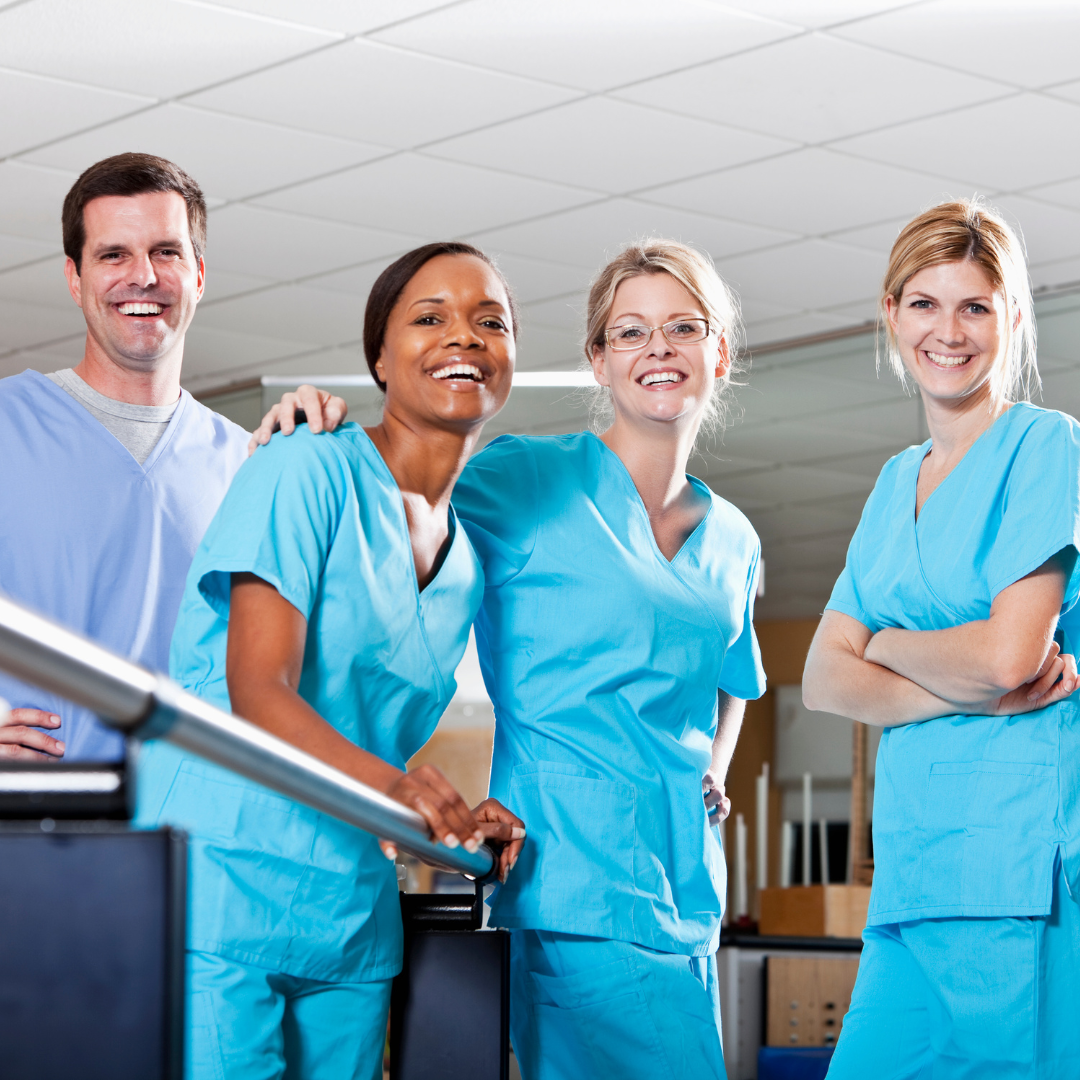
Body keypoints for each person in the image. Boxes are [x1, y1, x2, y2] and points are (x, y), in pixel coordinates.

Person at [136, 242, 527, 1080]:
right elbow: (258, 687)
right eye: (430, 318)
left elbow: (371, 728)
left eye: (489, 322)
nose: (464, 336)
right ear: (379, 359)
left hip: (345, 903)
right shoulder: (303, 467)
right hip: (216, 876)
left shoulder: (466, 565)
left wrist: (454, 820)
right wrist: (399, 792)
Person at [451, 240, 765, 1079]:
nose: (658, 348)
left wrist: (718, 771)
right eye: (630, 333)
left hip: (687, 897)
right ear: (598, 361)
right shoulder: (525, 480)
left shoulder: (733, 538)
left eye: (683, 327)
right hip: (573, 887)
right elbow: (400, 528)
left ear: (719, 353)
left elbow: (736, 679)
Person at [802, 200, 1080, 1078]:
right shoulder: (893, 484)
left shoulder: (1047, 449)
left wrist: (882, 643)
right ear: (891, 313)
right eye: (924, 303)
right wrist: (954, 670)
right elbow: (820, 680)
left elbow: (1010, 658)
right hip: (913, 875)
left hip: (1018, 873)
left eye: (975, 307)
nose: (947, 331)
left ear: (1010, 321)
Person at [0, 152, 347, 763]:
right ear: (75, 278)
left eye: (166, 252)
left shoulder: (246, 464)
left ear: (198, 275)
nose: (144, 276)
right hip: (33, 817)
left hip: (194, 827)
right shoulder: (10, 424)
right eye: (113, 255)